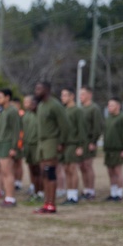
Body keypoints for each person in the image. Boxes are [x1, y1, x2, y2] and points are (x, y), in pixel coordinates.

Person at [33, 80, 70, 214]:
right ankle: (46, 203)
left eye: (39, 89)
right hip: (42, 143)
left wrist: (62, 142)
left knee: (50, 172)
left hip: (51, 141)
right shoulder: (41, 105)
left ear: (47, 90)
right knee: (43, 173)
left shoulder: (55, 105)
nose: (36, 91)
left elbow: (64, 125)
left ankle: (52, 204)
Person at [0, 89, 21, 207]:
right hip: (1, 143)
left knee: (8, 172)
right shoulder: (3, 111)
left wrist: (14, 147)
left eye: (1, 96)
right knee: (3, 173)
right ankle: (7, 197)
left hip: (8, 144)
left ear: (7, 97)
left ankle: (11, 198)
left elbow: (16, 130)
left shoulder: (12, 111)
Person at [102, 97, 123, 201]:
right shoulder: (108, 118)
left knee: (117, 171)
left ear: (118, 106)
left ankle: (119, 193)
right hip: (109, 149)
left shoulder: (122, 118)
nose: (109, 107)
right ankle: (113, 192)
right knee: (110, 172)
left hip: (118, 149)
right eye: (108, 105)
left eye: (112, 105)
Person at [60, 88, 87, 205]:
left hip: (73, 143)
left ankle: (74, 196)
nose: (63, 98)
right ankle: (69, 194)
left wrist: (80, 145)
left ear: (72, 96)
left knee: (72, 169)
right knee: (66, 169)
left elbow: (82, 129)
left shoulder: (77, 111)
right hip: (65, 144)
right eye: (62, 95)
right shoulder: (64, 110)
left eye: (65, 95)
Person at [79, 87, 104, 200]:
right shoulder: (81, 109)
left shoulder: (94, 109)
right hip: (81, 142)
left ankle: (91, 190)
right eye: (80, 94)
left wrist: (93, 141)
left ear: (89, 95)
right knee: (82, 166)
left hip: (89, 142)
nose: (81, 96)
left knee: (88, 166)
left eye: (83, 94)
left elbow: (98, 127)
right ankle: (86, 189)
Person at [22, 94, 42, 203]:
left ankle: (41, 192)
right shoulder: (26, 115)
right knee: (32, 169)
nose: (27, 104)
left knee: (39, 170)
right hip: (28, 145)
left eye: (29, 102)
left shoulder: (39, 114)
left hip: (37, 145)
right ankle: (35, 190)